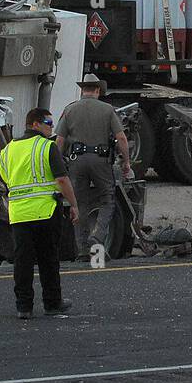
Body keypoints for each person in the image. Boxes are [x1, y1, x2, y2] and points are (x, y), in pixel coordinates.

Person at [0, 108, 79, 319]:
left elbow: (5, 178)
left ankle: (23, 306)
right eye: (48, 122)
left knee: (23, 261)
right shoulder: (47, 146)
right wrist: (73, 205)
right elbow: (62, 179)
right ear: (34, 124)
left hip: (19, 214)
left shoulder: (7, 151)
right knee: (48, 259)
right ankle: (52, 303)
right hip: (45, 211)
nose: (51, 126)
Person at [55, 74, 132, 261]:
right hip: (101, 161)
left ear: (83, 90)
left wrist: (57, 165)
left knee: (78, 204)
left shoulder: (70, 110)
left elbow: (59, 140)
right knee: (107, 201)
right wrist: (126, 162)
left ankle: (82, 251)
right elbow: (121, 138)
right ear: (97, 90)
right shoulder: (107, 110)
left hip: (76, 162)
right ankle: (96, 236)